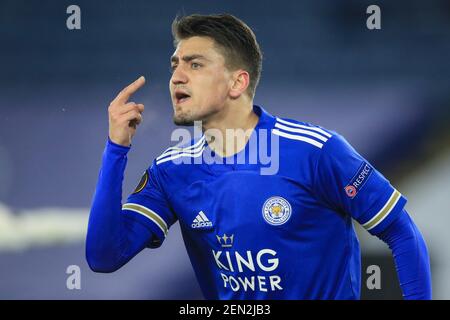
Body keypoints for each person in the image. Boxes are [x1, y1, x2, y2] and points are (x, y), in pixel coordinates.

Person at [86, 13, 432, 299]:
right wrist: (116, 148)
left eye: (195, 65)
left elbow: (401, 232)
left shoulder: (316, 151)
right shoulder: (172, 170)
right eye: (175, 65)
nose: (176, 77)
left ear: (237, 83)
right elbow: (104, 256)